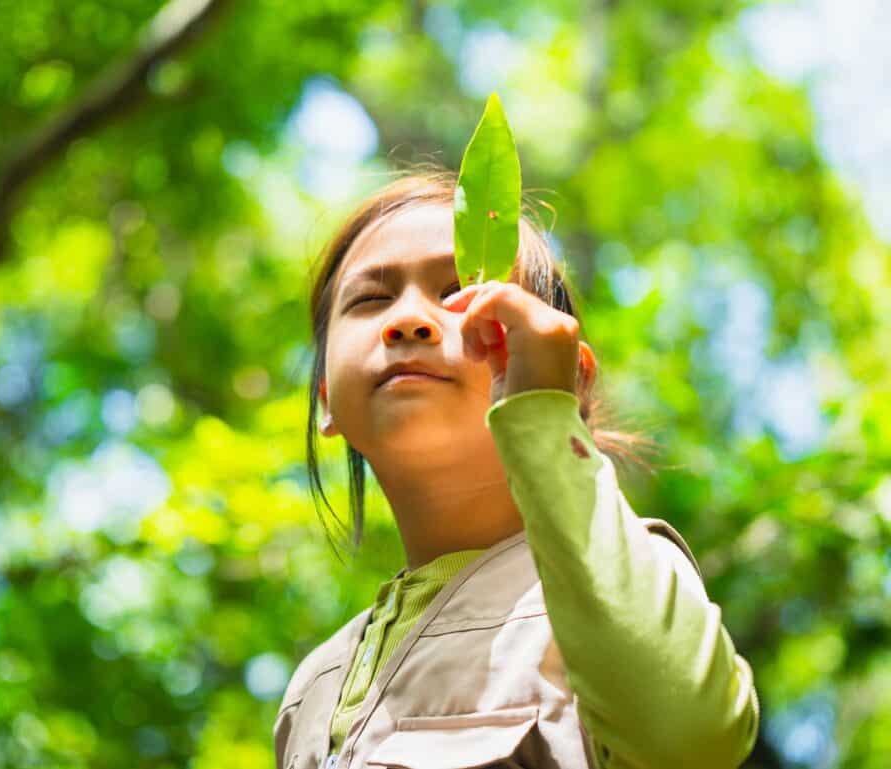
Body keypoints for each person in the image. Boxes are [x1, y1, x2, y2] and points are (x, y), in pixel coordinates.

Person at [273, 167, 759, 769]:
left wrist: (543, 415)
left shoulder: (618, 585)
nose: (408, 319)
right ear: (325, 398)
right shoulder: (312, 687)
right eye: (371, 300)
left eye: (464, 294)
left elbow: (693, 740)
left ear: (568, 376)